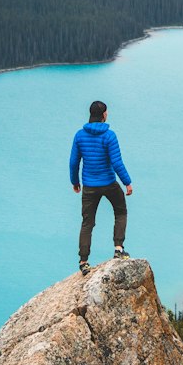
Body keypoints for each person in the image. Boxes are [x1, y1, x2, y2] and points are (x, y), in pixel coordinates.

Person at [69, 100, 133, 274]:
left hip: (89, 186)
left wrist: (75, 182)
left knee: (87, 223)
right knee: (120, 212)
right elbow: (116, 162)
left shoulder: (80, 136)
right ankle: (118, 248)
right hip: (109, 184)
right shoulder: (109, 135)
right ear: (104, 114)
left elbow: (74, 162)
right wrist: (127, 182)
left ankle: (83, 261)